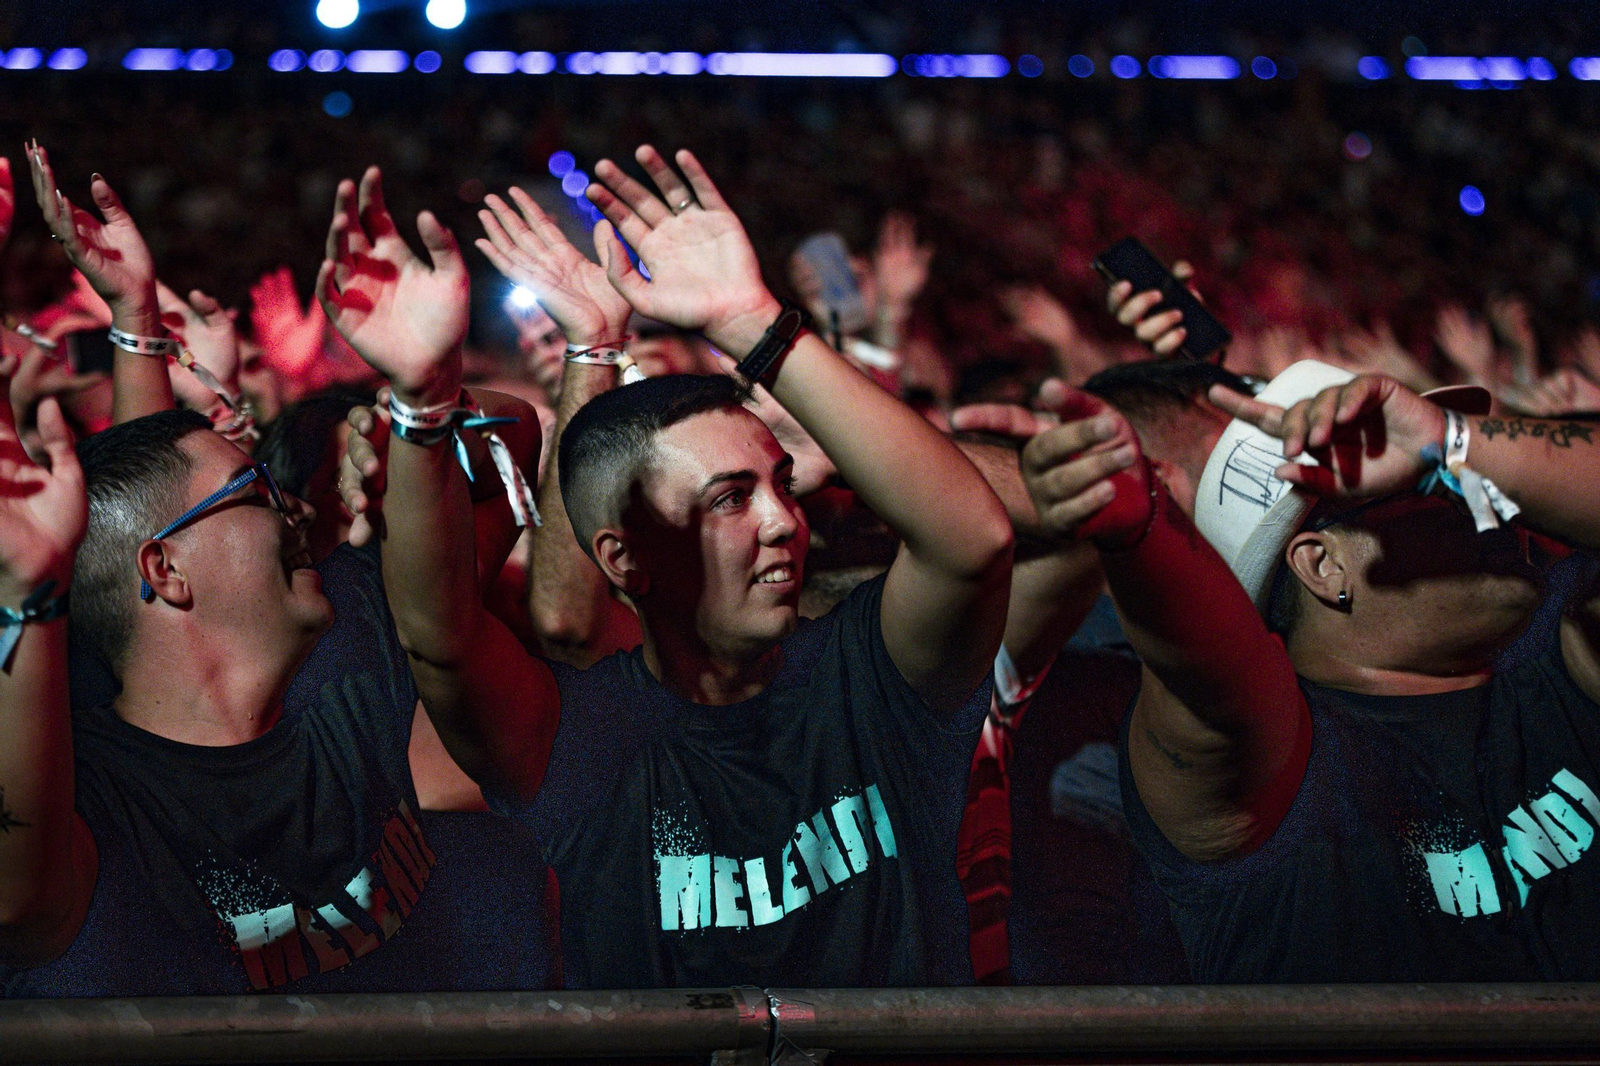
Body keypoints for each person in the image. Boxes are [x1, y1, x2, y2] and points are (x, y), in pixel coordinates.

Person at [323, 147, 1013, 987]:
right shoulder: (583, 738)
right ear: (624, 558)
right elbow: (439, 637)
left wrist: (750, 321)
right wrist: (423, 407)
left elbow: (971, 540)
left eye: (782, 485)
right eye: (729, 498)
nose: (781, 522)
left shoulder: (872, 679)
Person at [1, 147, 554, 995]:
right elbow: (17, 896)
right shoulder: (88, 782)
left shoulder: (349, 654)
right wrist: (29, 597)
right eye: (256, 488)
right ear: (167, 572)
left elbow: (516, 435)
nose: (294, 507)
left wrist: (423, 399)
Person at [1021, 352, 1600, 981]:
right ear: (1324, 567)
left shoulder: (1563, 649)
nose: (1487, 495)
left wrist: (1451, 442)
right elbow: (1205, 677)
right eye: (1430, 489)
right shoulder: (1281, 767)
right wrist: (1140, 540)